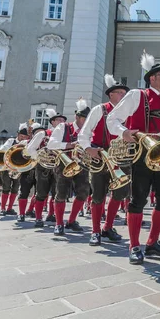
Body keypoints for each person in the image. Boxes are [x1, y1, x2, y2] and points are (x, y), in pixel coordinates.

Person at [107, 51, 160, 265]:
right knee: (138, 200)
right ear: (151, 78)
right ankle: (134, 245)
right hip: (141, 155)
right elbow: (113, 119)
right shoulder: (137, 96)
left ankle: (152, 242)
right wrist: (124, 132)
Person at [78, 74, 131, 246]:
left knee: (120, 194)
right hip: (100, 156)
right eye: (120, 93)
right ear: (111, 95)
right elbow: (83, 134)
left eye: (125, 93)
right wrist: (89, 149)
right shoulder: (99, 109)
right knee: (98, 195)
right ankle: (95, 231)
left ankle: (108, 227)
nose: (123, 96)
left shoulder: (129, 113)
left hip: (121, 158)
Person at [47, 98, 91, 235]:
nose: (87, 122)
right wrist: (69, 145)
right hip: (63, 164)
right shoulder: (63, 127)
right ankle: (58, 224)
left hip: (82, 164)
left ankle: (71, 221)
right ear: (77, 117)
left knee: (83, 192)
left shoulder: (88, 131)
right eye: (84, 119)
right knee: (60, 194)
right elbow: (51, 144)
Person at [0, 124, 29, 216]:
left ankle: (10, 208)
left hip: (19, 168)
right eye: (21, 136)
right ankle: (3, 208)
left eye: (24, 136)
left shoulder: (26, 143)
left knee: (15, 189)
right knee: (6, 187)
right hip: (8, 167)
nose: (22, 138)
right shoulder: (11, 141)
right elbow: (3, 149)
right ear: (18, 135)